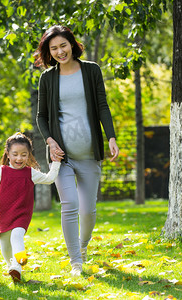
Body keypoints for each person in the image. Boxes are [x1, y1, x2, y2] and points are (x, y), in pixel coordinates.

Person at [34, 25, 119, 277]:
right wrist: (50, 141)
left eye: (63, 45)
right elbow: (41, 116)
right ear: (48, 52)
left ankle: (82, 246)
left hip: (89, 153)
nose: (60, 51)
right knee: (69, 204)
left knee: (88, 210)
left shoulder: (91, 70)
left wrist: (111, 136)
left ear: (72, 44)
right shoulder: (48, 78)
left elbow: (102, 106)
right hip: (62, 156)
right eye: (54, 48)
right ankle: (75, 262)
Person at [0, 132, 61, 282]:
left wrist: (56, 162)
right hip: (5, 214)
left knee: (17, 235)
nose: (19, 158)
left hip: (22, 214)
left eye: (24, 155)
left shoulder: (30, 173)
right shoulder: (2, 171)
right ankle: (12, 267)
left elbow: (49, 179)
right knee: (5, 246)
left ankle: (18, 263)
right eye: (15, 154)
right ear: (8, 154)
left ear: (29, 155)